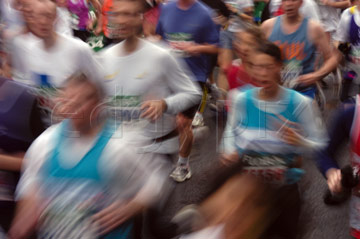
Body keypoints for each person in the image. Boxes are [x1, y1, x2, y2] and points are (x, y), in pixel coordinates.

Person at [8, 72, 167, 239]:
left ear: (97, 105)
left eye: (80, 102)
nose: (72, 109)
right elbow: (31, 182)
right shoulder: (45, 142)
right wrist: (26, 213)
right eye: (68, 101)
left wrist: (133, 206)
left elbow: (158, 176)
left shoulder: (121, 144)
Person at [221, 41, 326, 238]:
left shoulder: (300, 103)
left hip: (283, 193)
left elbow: (321, 146)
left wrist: (300, 141)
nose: (262, 73)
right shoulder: (241, 99)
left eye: (268, 67)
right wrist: (228, 152)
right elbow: (229, 132)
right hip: (247, 193)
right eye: (257, 67)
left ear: (279, 66)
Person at [10, 0, 103, 125]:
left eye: (47, 16)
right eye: (36, 16)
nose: (42, 22)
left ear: (56, 18)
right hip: (46, 130)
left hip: (78, 128)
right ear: (28, 19)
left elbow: (101, 84)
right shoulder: (27, 51)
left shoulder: (78, 49)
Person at [155, 0, 219, 181]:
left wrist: (196, 48)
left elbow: (216, 46)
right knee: (165, 121)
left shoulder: (205, 13)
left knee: (182, 122)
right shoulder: (166, 8)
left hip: (193, 78)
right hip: (168, 75)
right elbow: (160, 37)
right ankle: (186, 138)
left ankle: (183, 165)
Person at [262, 0, 340, 98]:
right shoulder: (268, 27)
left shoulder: (313, 28)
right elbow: (257, 55)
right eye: (284, 0)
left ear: (301, 2)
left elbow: (332, 58)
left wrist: (317, 75)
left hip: (304, 93)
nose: (289, 4)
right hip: (275, 92)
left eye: (293, 0)